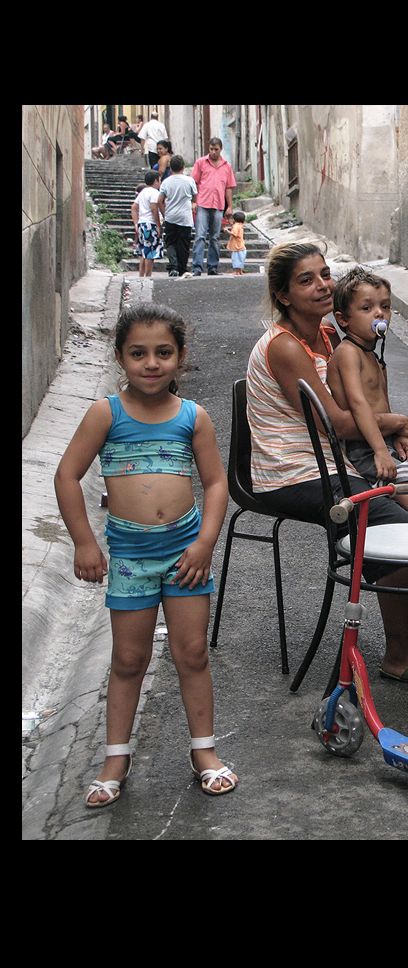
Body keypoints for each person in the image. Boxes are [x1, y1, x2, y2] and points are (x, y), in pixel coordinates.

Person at [245, 242, 408, 685]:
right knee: (392, 522)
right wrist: (397, 422)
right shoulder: (285, 347)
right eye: (306, 280)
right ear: (283, 295)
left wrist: (395, 433)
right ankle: (398, 653)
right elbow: (335, 423)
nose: (322, 285)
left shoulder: (331, 335)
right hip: (292, 471)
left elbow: (363, 400)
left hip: (336, 461)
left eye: (324, 274)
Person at [54, 303, 237, 807]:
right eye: (138, 353)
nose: (151, 363)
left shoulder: (192, 417)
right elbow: (67, 475)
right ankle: (116, 758)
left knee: (192, 653)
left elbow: (215, 483)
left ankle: (204, 751)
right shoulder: (105, 414)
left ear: (180, 356)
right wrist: (85, 541)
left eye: (163, 353)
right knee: (128, 659)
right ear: (120, 357)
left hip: (185, 553)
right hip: (130, 556)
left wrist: (205, 543)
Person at [326, 268, 408, 524]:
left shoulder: (375, 358)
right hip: (363, 450)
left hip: (380, 445)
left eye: (385, 306)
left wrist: (399, 435)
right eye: (367, 308)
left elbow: (383, 407)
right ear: (343, 319)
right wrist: (380, 451)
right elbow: (357, 403)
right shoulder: (348, 352)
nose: (379, 313)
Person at [190, 138, 236, 276]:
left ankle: (212, 267)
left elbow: (228, 187)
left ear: (221, 149)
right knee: (200, 236)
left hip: (218, 205)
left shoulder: (227, 166)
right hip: (202, 203)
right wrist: (194, 201)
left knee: (215, 237)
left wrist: (230, 206)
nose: (213, 152)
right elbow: (194, 183)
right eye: (211, 149)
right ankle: (197, 267)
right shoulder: (200, 163)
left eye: (216, 149)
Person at [158, 155, 197, 278]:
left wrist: (164, 213)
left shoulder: (166, 182)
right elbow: (194, 196)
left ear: (170, 167)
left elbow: (159, 201)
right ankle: (182, 268)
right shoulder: (189, 181)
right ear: (183, 167)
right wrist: (192, 203)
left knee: (170, 242)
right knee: (184, 244)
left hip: (171, 216)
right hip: (185, 217)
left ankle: (173, 266)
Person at [131, 170, 163, 278]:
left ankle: (141, 275)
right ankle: (148, 275)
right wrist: (158, 225)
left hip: (142, 223)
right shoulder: (155, 193)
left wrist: (136, 223)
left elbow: (134, 207)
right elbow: (154, 209)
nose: (160, 183)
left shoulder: (143, 192)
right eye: (159, 180)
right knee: (150, 252)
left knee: (144, 252)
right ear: (155, 181)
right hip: (150, 224)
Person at [227, 209, 247, 274]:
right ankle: (240, 271)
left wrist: (227, 231)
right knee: (240, 259)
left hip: (236, 247)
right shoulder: (241, 225)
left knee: (236, 259)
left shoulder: (236, 226)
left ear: (234, 219)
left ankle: (236, 271)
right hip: (241, 246)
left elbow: (234, 234)